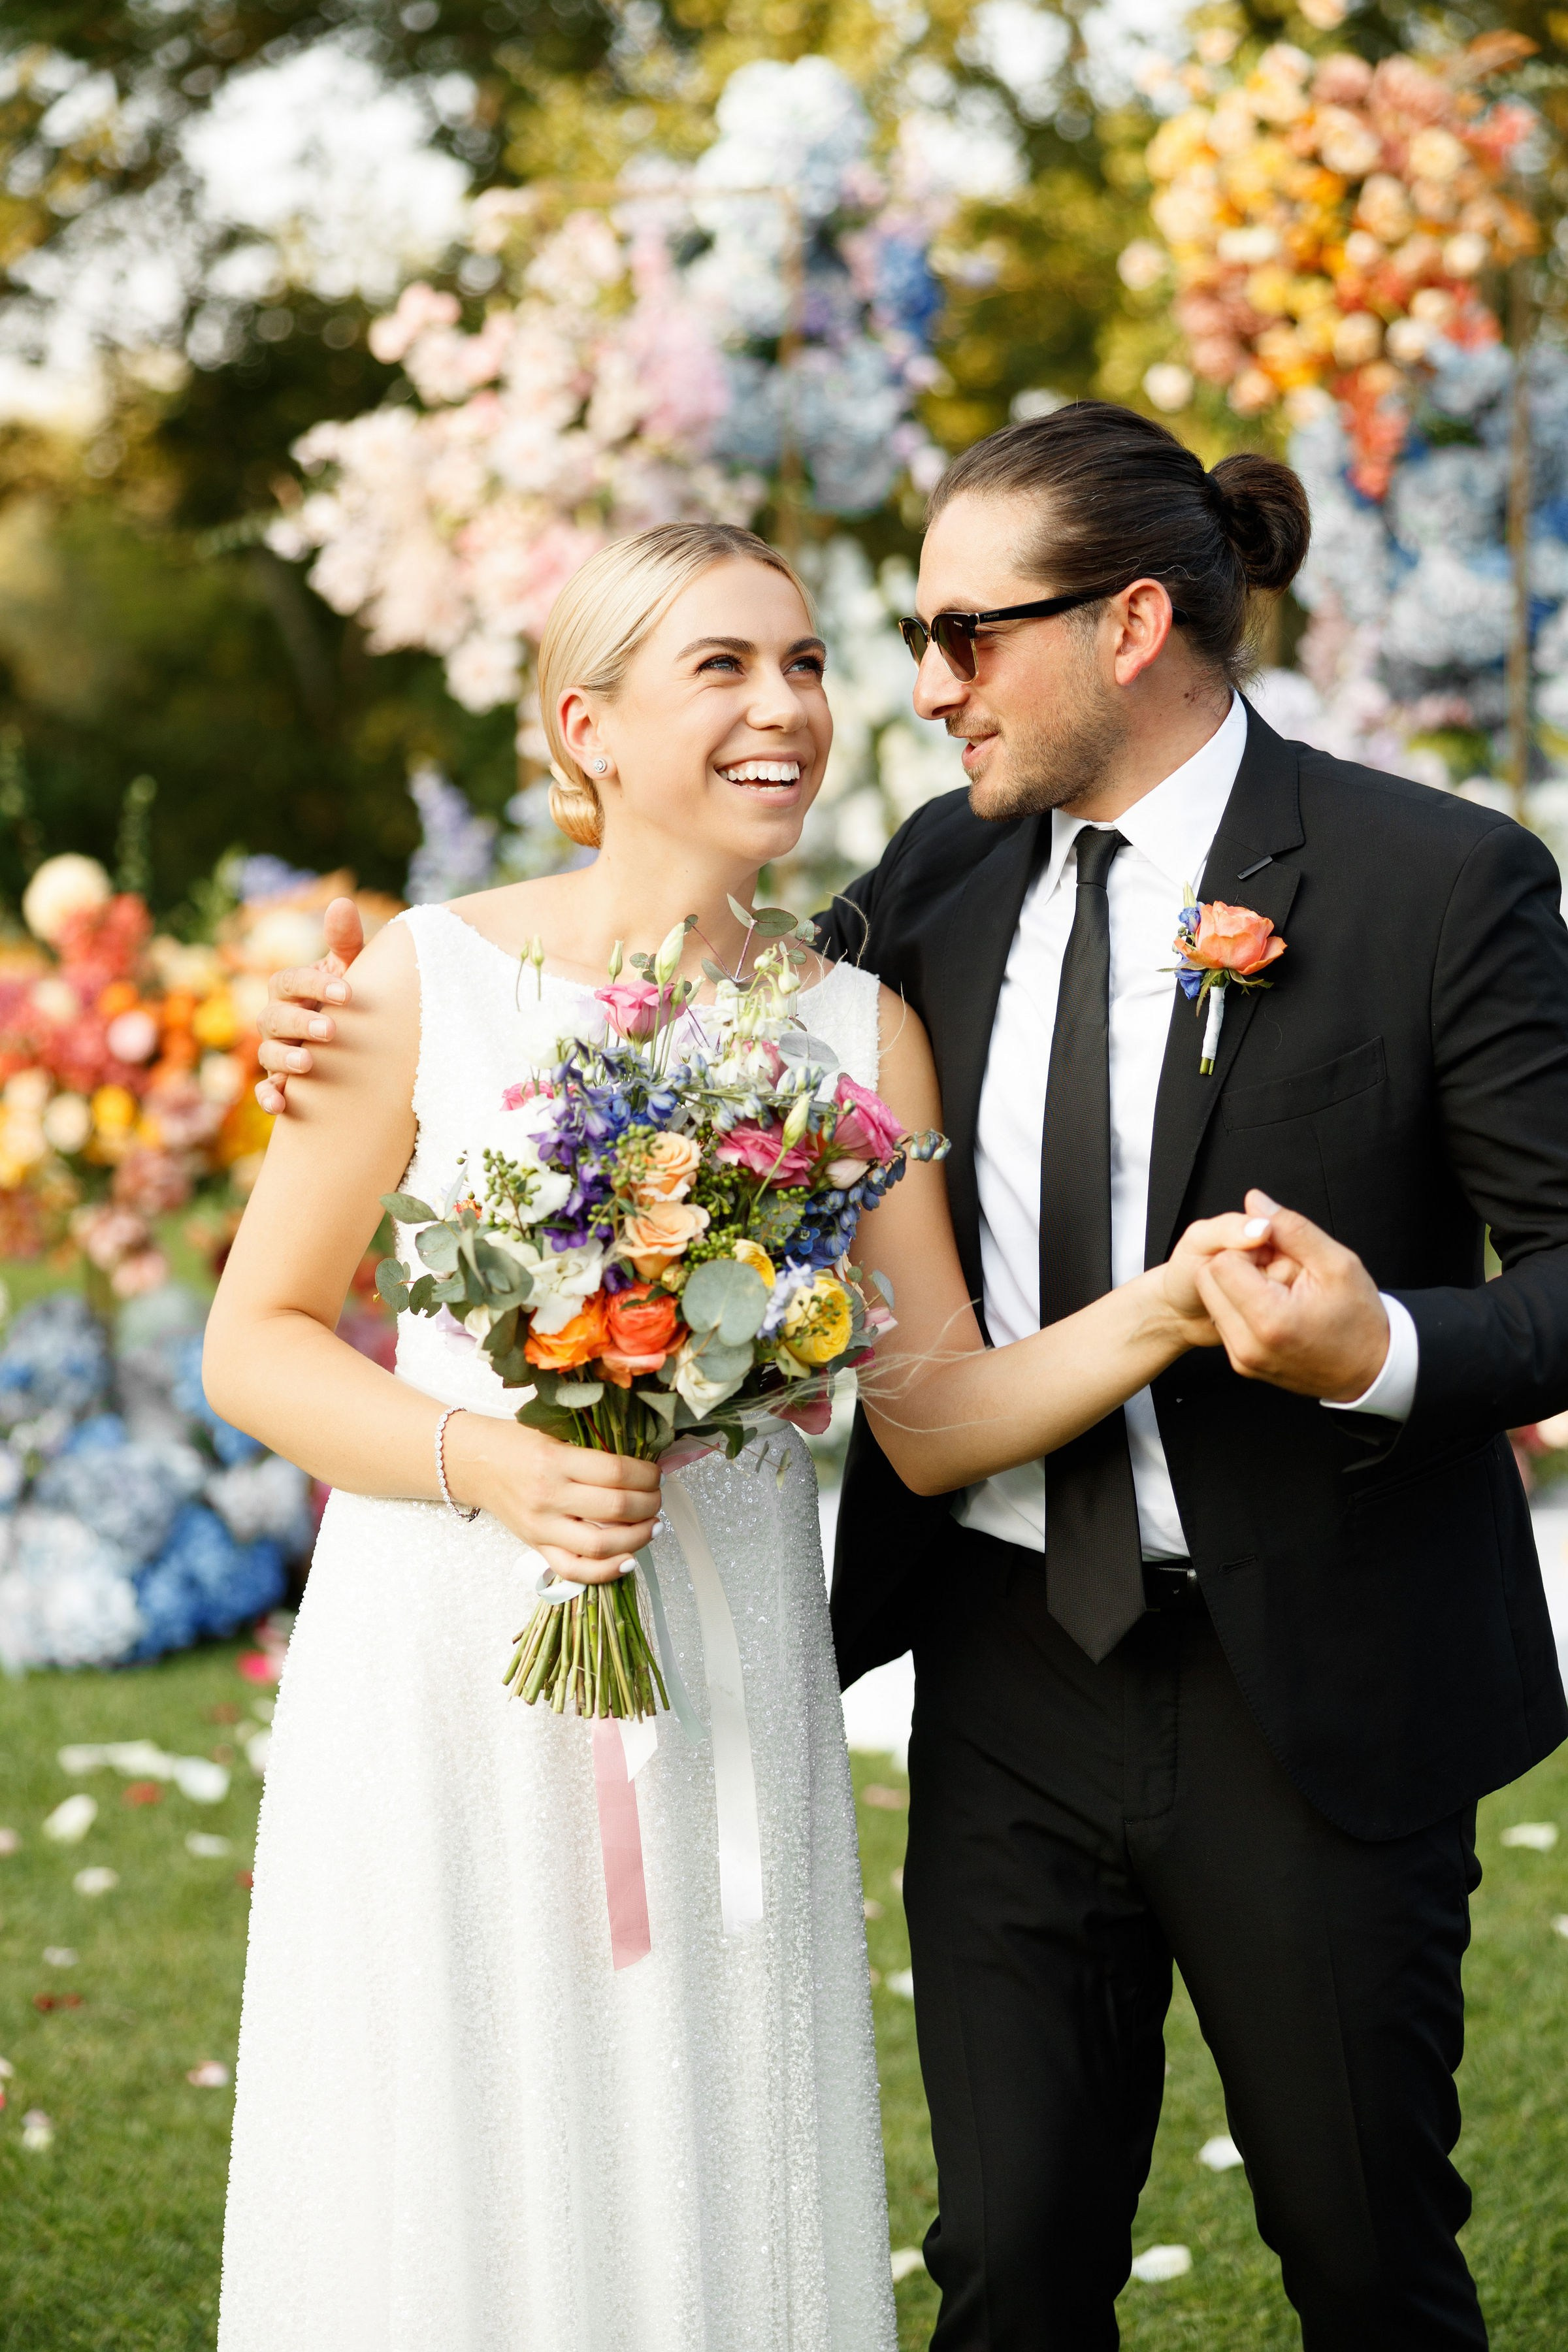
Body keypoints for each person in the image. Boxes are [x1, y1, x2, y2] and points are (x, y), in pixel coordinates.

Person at [262, 410, 1568, 2349]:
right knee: (1008, 2267)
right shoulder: (932, 891)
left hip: (1319, 1668)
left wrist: (1374, 1345)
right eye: (882, 645)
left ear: (1131, 624)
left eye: (956, 637)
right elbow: (649, 983)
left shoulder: (1438, 881)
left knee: (1368, 2260)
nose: (908, 687)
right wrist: (314, 999)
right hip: (1007, 1662)